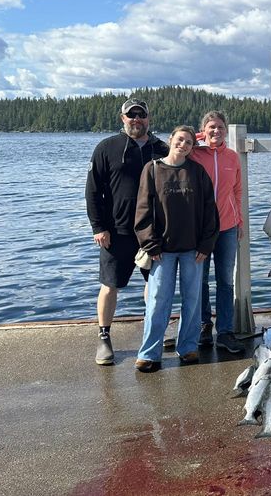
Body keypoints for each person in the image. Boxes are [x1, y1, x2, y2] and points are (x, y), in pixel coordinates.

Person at [85, 98, 168, 365]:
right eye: (131, 115)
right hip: (116, 232)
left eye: (141, 115)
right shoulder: (106, 148)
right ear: (123, 118)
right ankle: (104, 337)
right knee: (110, 286)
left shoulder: (161, 148)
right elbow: (93, 191)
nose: (136, 120)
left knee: (154, 284)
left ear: (148, 117)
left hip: (152, 233)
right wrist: (99, 227)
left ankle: (152, 329)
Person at [133, 126, 219, 372]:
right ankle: (150, 353)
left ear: (193, 148)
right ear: (171, 140)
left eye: (189, 142)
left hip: (193, 249)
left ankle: (188, 347)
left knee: (192, 300)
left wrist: (206, 243)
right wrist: (150, 244)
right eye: (180, 140)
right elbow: (142, 211)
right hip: (162, 250)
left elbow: (209, 211)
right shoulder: (152, 169)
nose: (183, 145)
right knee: (158, 300)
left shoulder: (197, 172)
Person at [190, 111, 245, 353]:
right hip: (200, 230)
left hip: (227, 228)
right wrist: (201, 137)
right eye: (211, 127)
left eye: (220, 127)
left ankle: (225, 331)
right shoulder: (194, 153)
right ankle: (204, 326)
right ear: (203, 130)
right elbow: (173, 144)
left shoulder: (232, 158)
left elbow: (237, 191)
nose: (216, 131)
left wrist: (240, 222)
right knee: (199, 280)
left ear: (226, 130)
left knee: (225, 281)